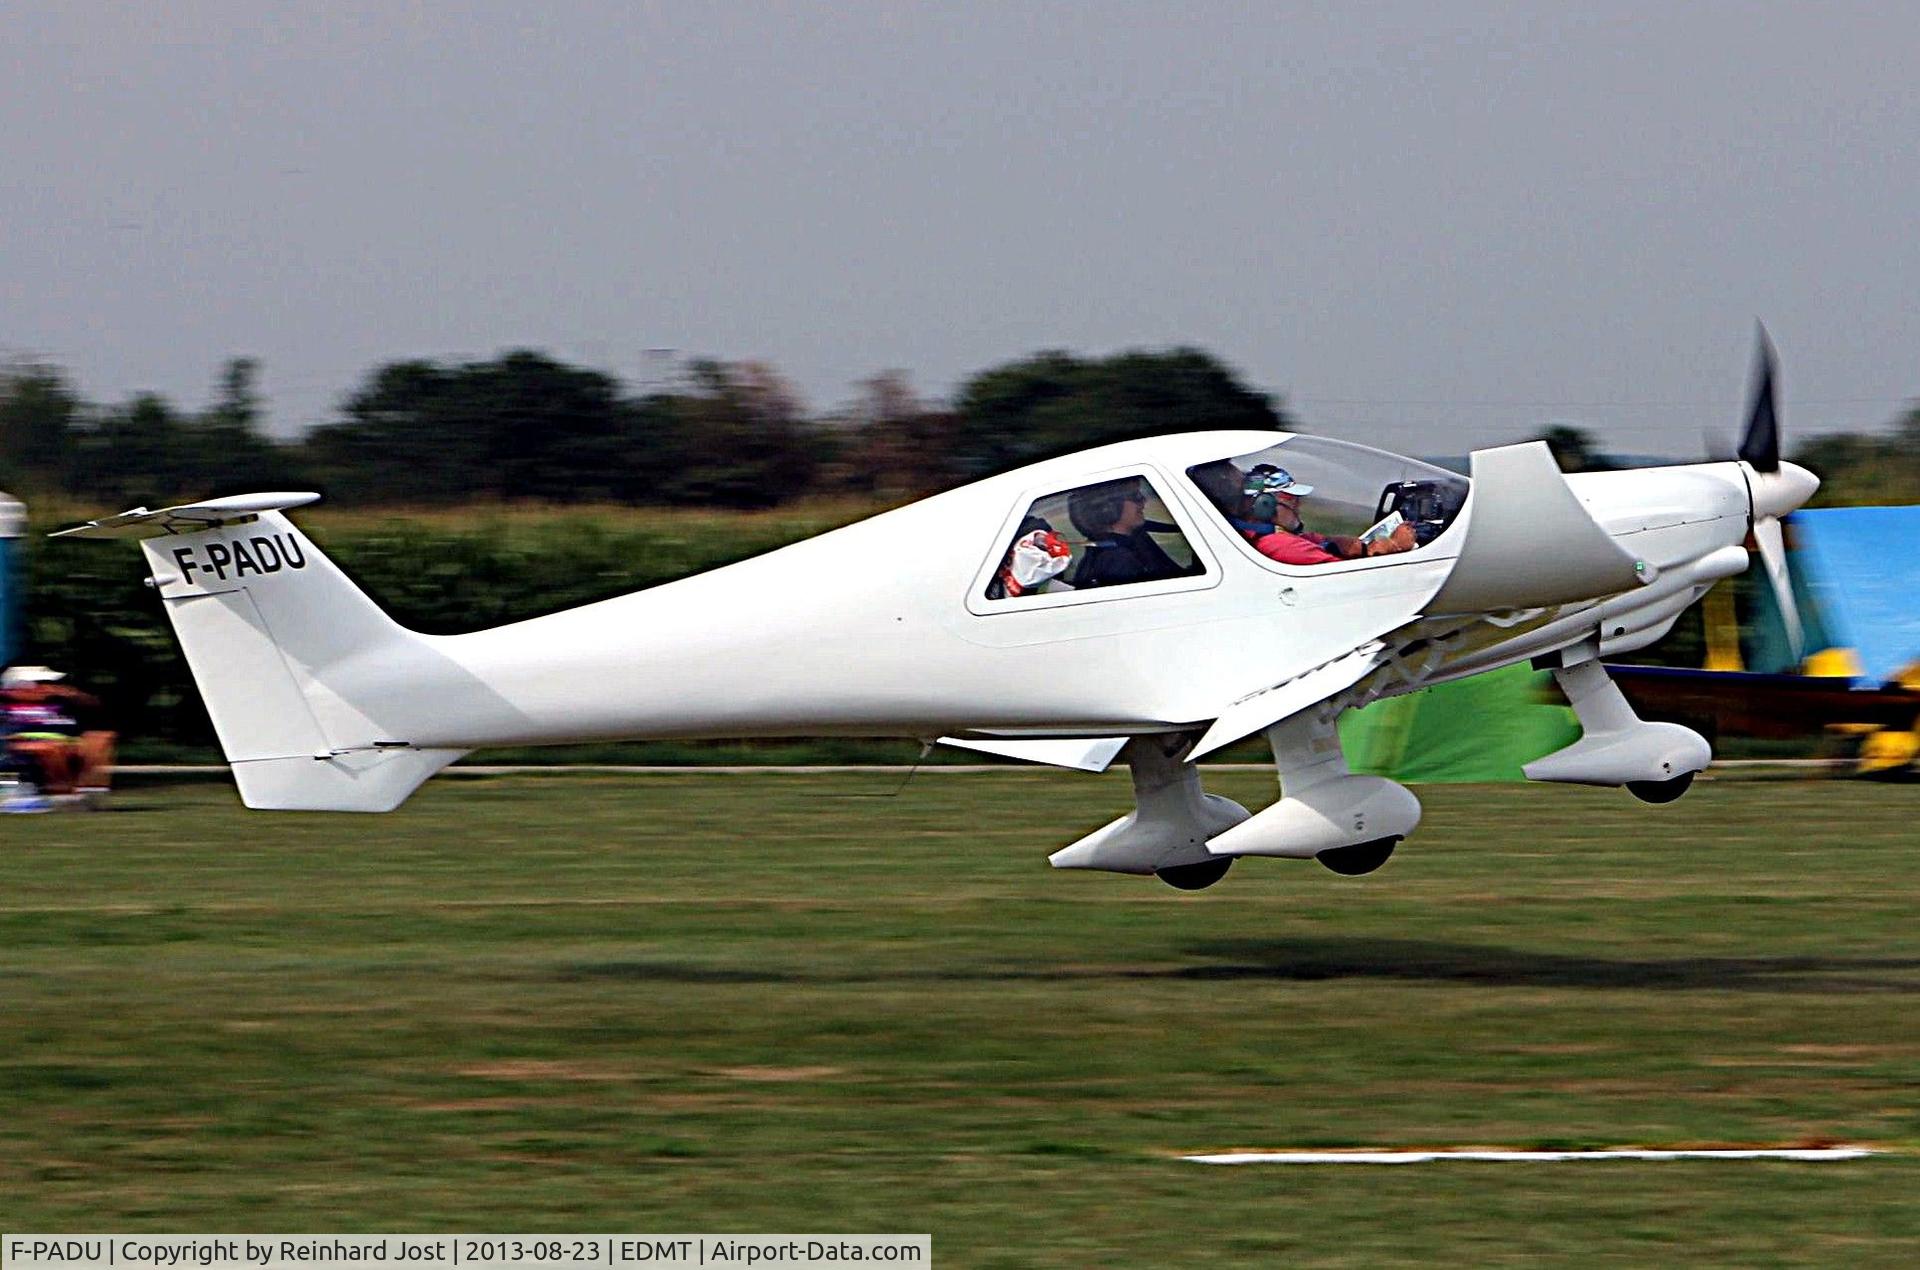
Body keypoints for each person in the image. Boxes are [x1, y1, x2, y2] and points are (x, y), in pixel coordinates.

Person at [1240, 467, 1417, 566]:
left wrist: (1359, 548)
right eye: (1291, 499)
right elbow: (1346, 575)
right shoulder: (1280, 545)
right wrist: (1394, 546)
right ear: (1265, 505)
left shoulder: (1270, 536)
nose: (1298, 505)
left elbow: (1318, 540)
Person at [2, 665, 114, 804]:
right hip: (27, 747)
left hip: (66, 744)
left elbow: (94, 703)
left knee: (100, 739)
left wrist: (73, 694)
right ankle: (62, 797)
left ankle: (91, 795)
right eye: (43, 683)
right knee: (53, 748)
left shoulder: (60, 703)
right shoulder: (7, 706)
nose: (50, 687)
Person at [1066, 479, 1200, 589]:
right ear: (1109, 508)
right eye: (1136, 497)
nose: (1143, 501)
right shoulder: (1116, 560)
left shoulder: (1132, 539)